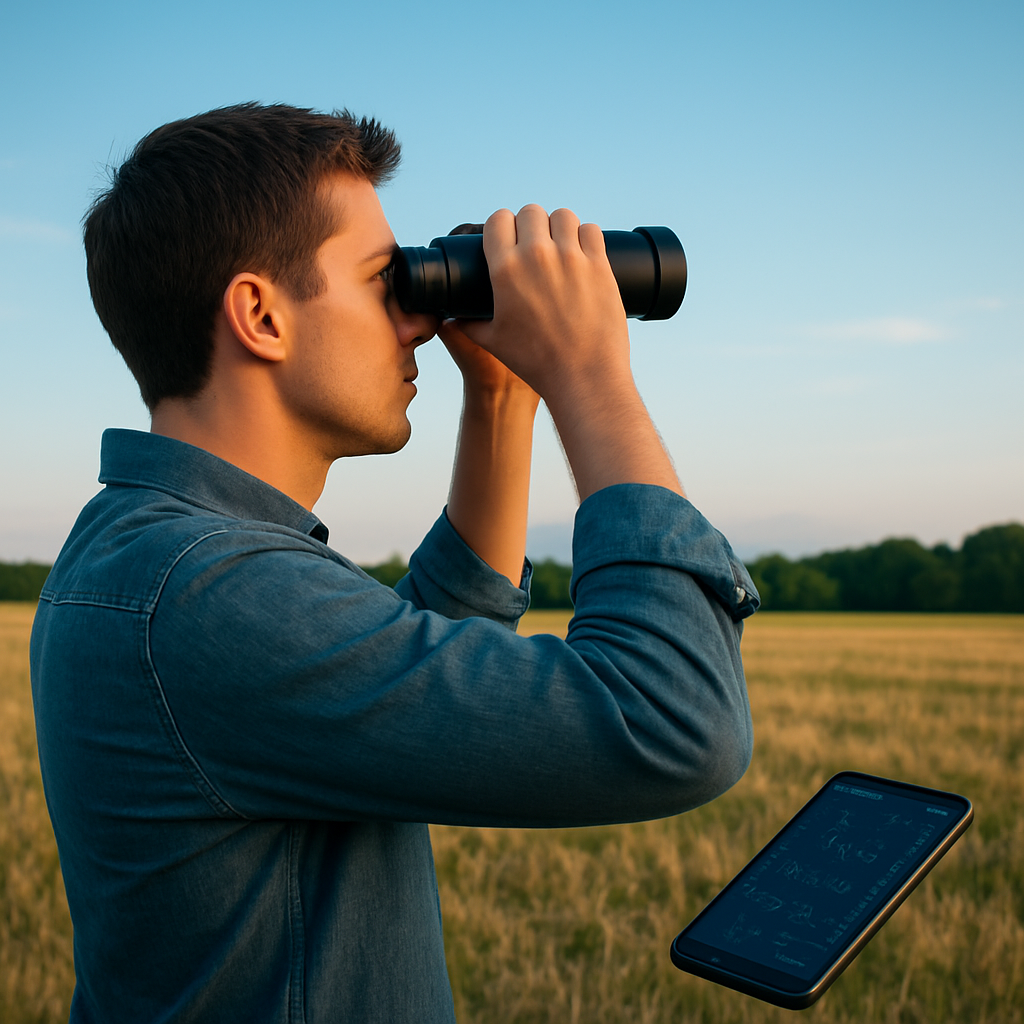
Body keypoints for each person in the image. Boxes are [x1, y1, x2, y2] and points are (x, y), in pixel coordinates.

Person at [30, 102, 759, 1023]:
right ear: (260, 314)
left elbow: (424, 656)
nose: (415, 319)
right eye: (384, 279)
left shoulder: (158, 550)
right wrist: (592, 375)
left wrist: (503, 398)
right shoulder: (210, 591)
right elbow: (674, 722)